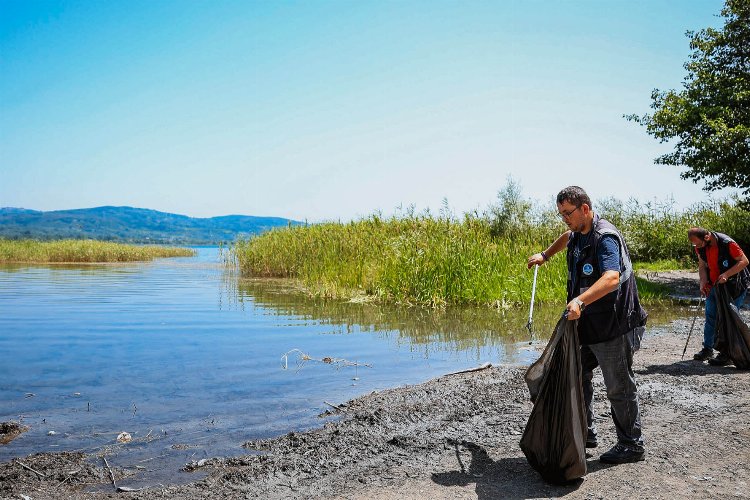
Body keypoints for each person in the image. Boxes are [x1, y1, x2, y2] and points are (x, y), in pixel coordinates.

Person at [527, 186, 648, 464]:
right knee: (576, 376)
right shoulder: (577, 233)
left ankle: (631, 445)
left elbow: (611, 279)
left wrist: (579, 301)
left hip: (615, 325)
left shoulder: (605, 237)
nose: (565, 219)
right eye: (561, 214)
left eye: (568, 213)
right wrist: (544, 256)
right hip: (588, 325)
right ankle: (585, 432)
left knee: (618, 386)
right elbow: (566, 238)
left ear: (585, 208)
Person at [688, 227, 749, 365]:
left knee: (729, 318)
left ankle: (726, 354)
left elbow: (744, 261)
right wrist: (703, 282)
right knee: (710, 315)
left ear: (707, 237)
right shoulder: (701, 247)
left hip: (735, 286)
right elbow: (702, 266)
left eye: (697, 243)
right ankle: (707, 349)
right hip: (715, 285)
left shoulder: (728, 243)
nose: (696, 247)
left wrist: (727, 274)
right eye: (694, 244)